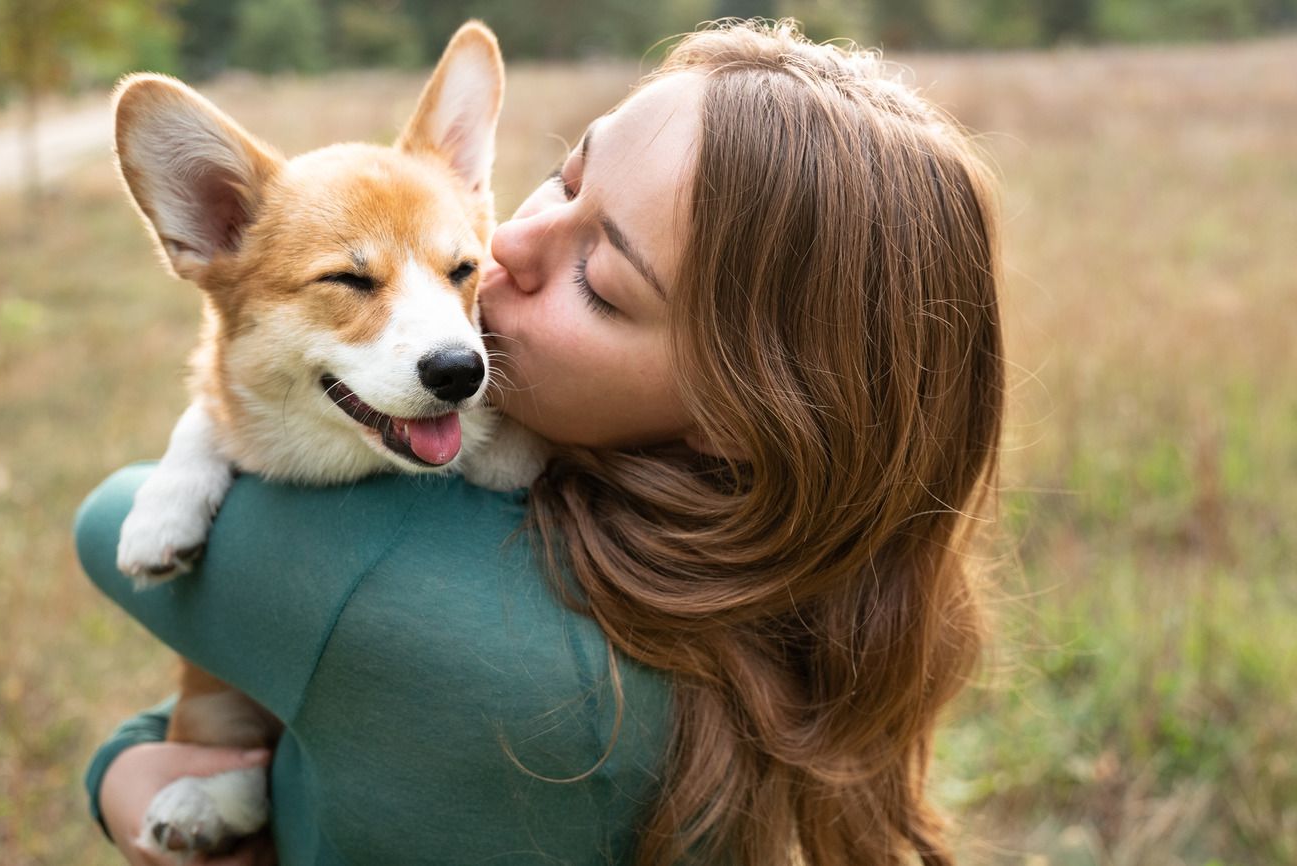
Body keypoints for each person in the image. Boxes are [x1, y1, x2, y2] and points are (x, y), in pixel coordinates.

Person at [77, 18, 1004, 866]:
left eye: (600, 280)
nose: (504, 246)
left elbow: (105, 526)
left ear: (739, 414)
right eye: (564, 177)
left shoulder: (405, 603)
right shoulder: (757, 598)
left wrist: (120, 773)